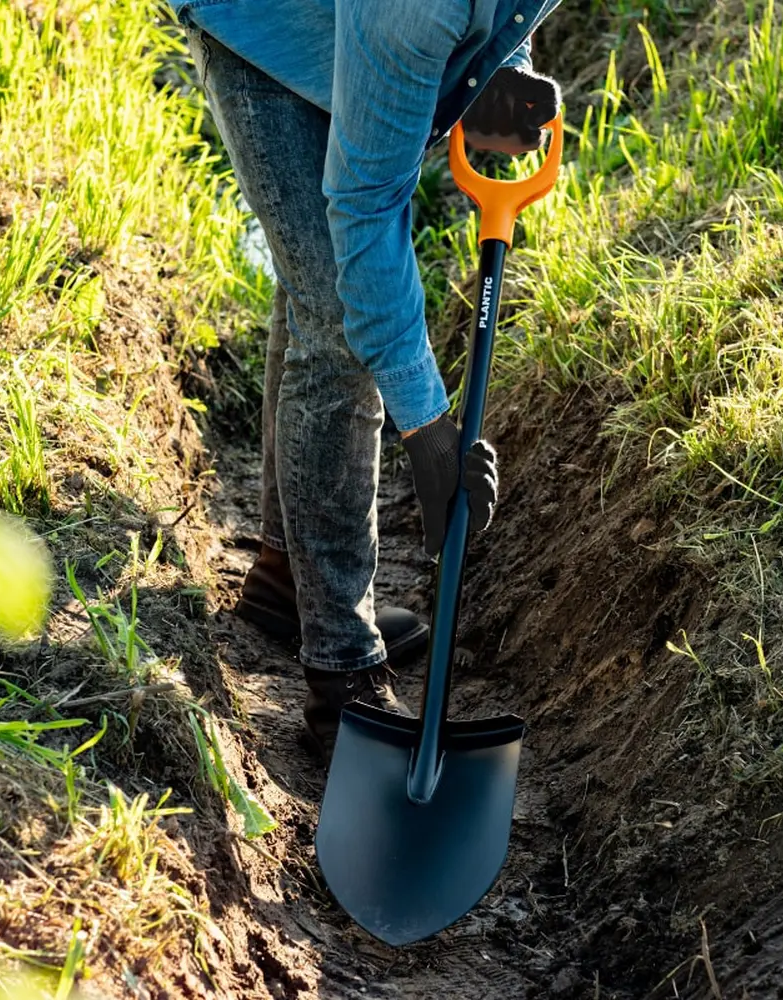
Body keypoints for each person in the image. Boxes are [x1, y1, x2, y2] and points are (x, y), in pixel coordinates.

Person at [168, 0, 563, 761]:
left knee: (319, 284)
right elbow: (365, 206)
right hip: (263, 28)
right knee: (337, 318)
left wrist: (501, 64)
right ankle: (341, 669)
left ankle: (289, 579)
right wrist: (427, 428)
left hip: (360, 23)